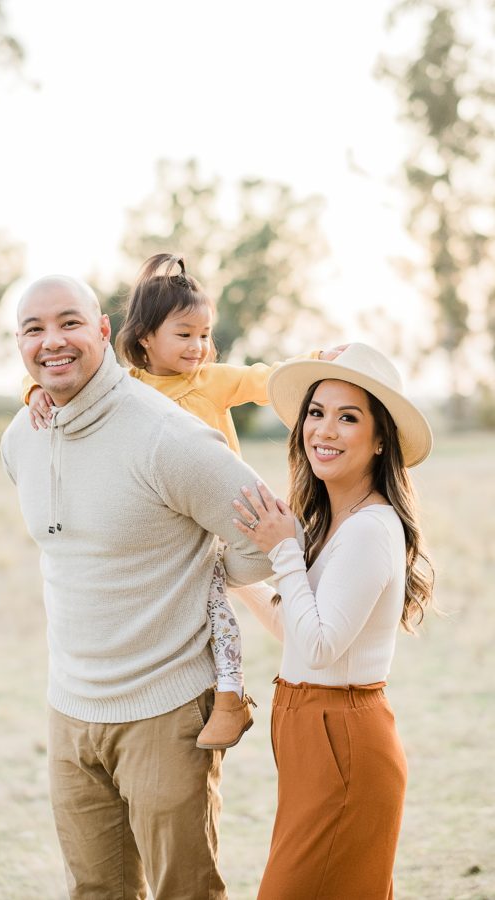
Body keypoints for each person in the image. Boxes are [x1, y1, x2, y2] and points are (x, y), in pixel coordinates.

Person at [0, 274, 275, 899]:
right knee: (96, 892)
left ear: (103, 331)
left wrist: (194, 581)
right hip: (69, 712)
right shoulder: (20, 440)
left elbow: (269, 538)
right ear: (19, 344)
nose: (52, 341)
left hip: (167, 710)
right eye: (33, 329)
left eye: (70, 322)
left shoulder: (166, 435)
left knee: (186, 892)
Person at [24, 253, 325, 751]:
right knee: (214, 607)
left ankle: (277, 660)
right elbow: (72, 380)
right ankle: (231, 696)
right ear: (144, 337)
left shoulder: (212, 380)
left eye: (205, 334)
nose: (198, 347)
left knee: (258, 590)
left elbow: (265, 379)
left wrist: (316, 360)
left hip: (228, 514)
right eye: (184, 334)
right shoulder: (130, 388)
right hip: (174, 523)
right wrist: (33, 388)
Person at [230, 343, 434, 900]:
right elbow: (301, 626)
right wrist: (237, 580)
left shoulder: (370, 528)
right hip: (312, 735)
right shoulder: (337, 521)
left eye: (349, 417)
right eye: (316, 413)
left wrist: (283, 552)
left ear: (381, 437)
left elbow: (319, 646)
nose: (325, 429)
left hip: (342, 740)